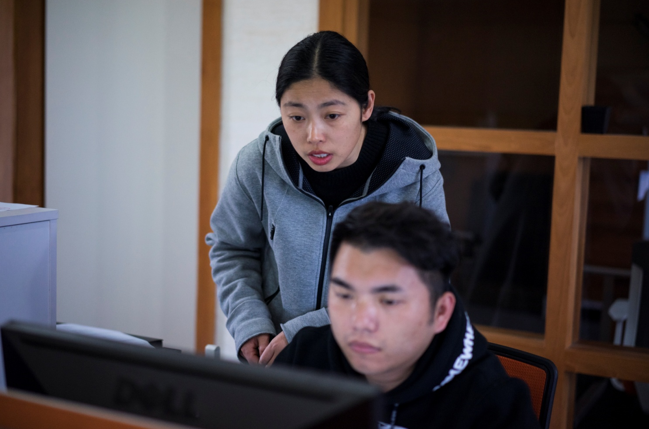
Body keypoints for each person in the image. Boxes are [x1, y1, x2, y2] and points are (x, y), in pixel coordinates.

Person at [205, 31, 448, 365]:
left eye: (332, 115)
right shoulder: (257, 164)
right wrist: (249, 321)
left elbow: (425, 280)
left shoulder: (414, 172)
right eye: (296, 117)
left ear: (366, 106)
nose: (313, 136)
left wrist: (305, 333)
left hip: (374, 362)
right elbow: (232, 247)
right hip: (279, 359)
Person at [275, 201, 540, 429]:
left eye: (389, 301)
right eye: (345, 295)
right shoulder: (301, 361)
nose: (361, 322)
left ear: (440, 312)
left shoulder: (494, 404)